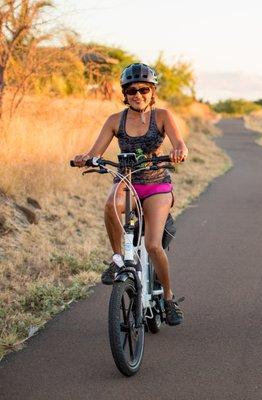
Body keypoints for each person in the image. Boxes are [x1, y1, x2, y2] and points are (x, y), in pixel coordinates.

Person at [73, 63, 188, 326]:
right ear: (124, 94)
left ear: (152, 91)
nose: (138, 94)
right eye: (132, 90)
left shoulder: (163, 116)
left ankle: (168, 298)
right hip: (127, 180)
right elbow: (95, 152)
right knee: (110, 204)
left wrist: (179, 151)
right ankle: (117, 259)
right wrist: (86, 158)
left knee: (153, 245)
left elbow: (180, 144)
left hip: (156, 184)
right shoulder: (116, 120)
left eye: (143, 89)